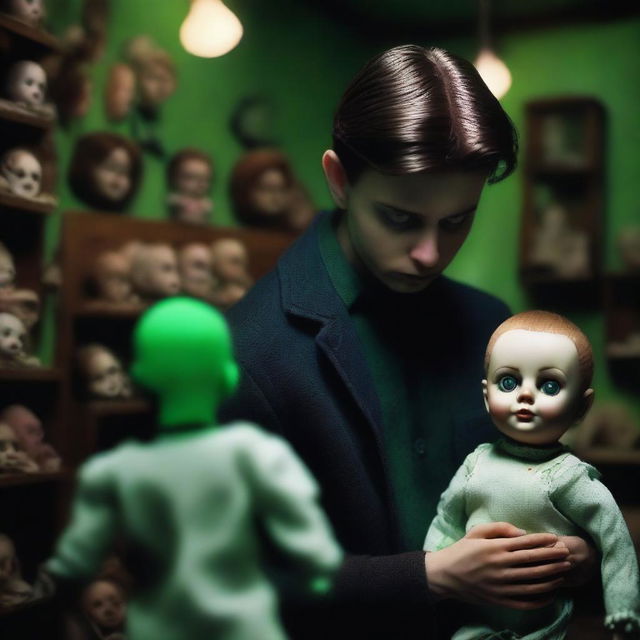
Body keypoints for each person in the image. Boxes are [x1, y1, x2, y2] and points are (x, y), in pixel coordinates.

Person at [220, 44, 595, 639]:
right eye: (400, 218)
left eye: (456, 221)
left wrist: (572, 546)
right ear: (339, 180)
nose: (429, 254)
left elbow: (528, 481)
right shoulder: (248, 352)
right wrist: (430, 577)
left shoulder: (492, 327)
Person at [46, 298, 342, 639]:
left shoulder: (113, 471)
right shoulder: (257, 453)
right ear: (226, 375)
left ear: (141, 378)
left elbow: (75, 562)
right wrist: (316, 576)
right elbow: (309, 541)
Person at [425, 310, 639, 639]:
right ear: (486, 395)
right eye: (508, 382)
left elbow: (615, 541)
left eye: (549, 385)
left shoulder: (568, 477)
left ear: (581, 408)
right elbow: (446, 520)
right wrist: (430, 586)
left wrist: (622, 606)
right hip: (472, 616)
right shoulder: (476, 463)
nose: (526, 394)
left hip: (540, 624)